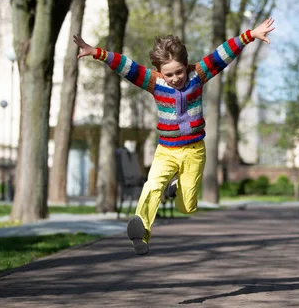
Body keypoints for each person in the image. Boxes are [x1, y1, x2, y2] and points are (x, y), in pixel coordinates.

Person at [73, 17, 275, 255]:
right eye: (169, 74)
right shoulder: (154, 82)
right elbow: (127, 66)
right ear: (160, 72)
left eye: (179, 72)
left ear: (186, 65)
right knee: (153, 185)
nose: (175, 78)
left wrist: (249, 35)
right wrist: (97, 52)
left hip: (194, 151)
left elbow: (221, 55)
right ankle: (141, 232)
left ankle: (177, 188)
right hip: (166, 150)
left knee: (187, 207)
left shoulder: (197, 75)